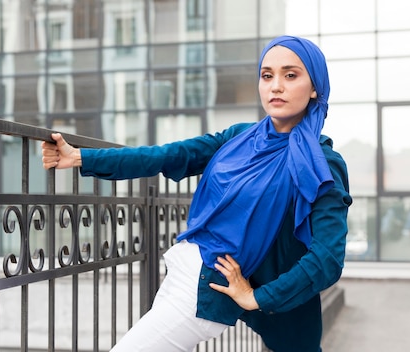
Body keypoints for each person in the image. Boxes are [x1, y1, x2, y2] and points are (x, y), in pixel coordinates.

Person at [41, 35, 352, 352]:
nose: (275, 86)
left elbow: (327, 258)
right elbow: (168, 156)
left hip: (207, 289)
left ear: (314, 87)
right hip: (185, 266)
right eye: (267, 75)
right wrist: (81, 158)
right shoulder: (240, 137)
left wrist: (259, 297)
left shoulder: (322, 164)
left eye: (290, 75)